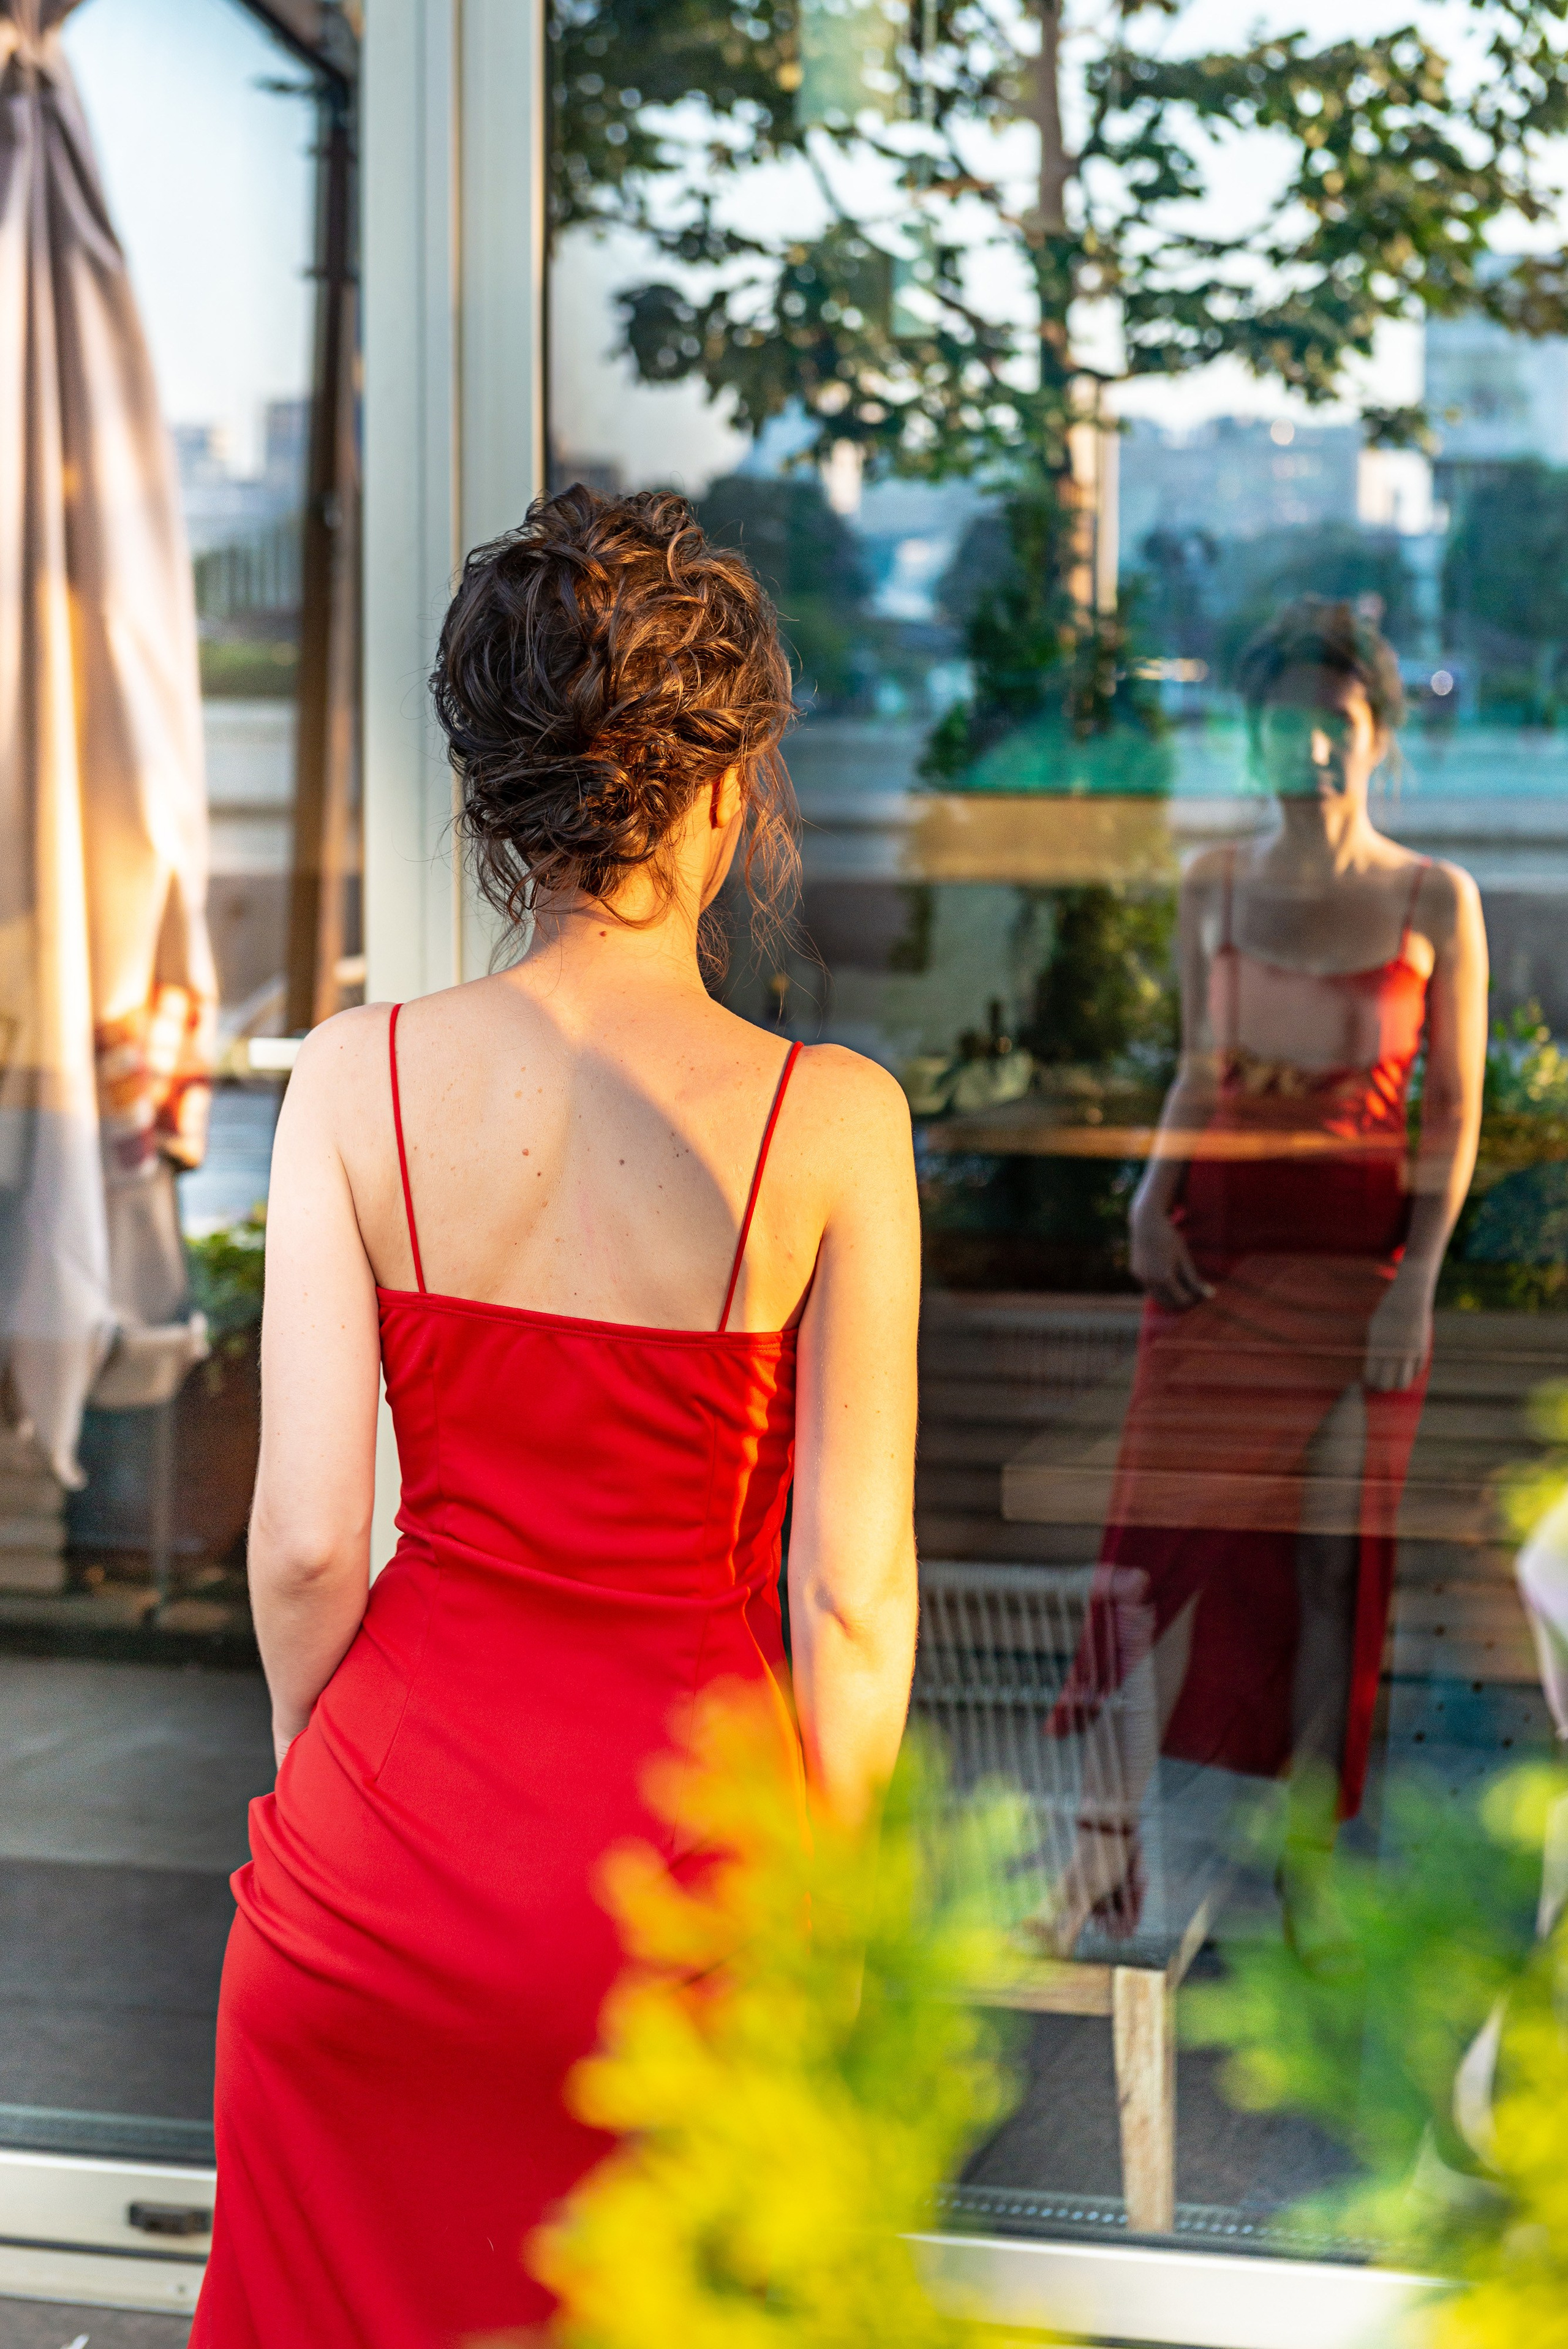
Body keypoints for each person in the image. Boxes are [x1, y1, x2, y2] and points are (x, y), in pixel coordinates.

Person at [188, 488, 922, 2348]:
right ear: (729, 792)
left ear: (495, 804)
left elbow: (306, 1545)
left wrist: (331, 1789)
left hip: (373, 1873)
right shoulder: (833, 1125)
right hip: (682, 1905)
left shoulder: (351, 1078)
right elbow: (848, 1605)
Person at [1050, 597, 1487, 1960]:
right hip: (1216, 1260)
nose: (1311, 743)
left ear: (1379, 734)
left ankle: (1310, 1870)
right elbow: (1197, 1067)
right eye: (1285, 721)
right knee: (1151, 1551)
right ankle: (1099, 1850)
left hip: (1360, 1275)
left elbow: (1454, 1112)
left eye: (1337, 719)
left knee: (1326, 1570)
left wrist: (1416, 1280)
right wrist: (1145, 1196)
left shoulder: (1434, 896)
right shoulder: (1212, 881)